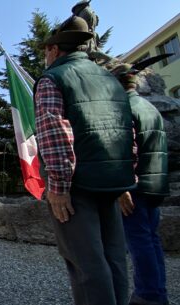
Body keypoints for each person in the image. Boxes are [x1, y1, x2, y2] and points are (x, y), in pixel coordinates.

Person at [34, 16, 135, 305]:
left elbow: (55, 131)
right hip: (113, 181)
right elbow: (126, 129)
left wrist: (59, 185)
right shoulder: (111, 79)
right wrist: (126, 179)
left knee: (86, 265)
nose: (45, 56)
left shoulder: (53, 77)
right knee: (114, 258)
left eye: (46, 51)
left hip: (77, 185)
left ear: (54, 49)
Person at [111, 62, 170, 305]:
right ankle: (158, 291)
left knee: (139, 241)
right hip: (156, 183)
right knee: (152, 240)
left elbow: (129, 150)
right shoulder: (150, 107)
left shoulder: (125, 108)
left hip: (136, 186)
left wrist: (123, 186)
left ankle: (148, 295)